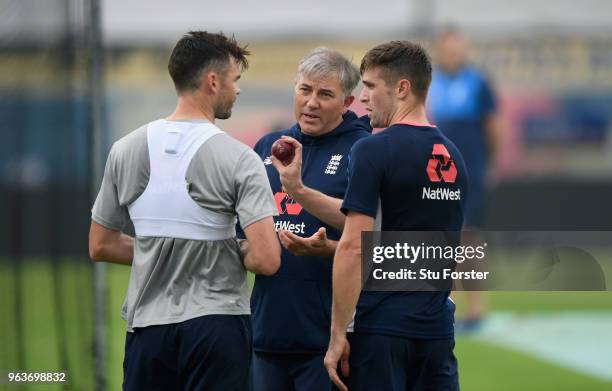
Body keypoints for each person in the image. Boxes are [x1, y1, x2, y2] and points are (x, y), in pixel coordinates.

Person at [88, 31, 281, 391]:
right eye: (235, 80)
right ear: (212, 81)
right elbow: (267, 259)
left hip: (147, 329)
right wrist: (227, 250)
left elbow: (101, 245)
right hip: (217, 327)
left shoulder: (124, 149)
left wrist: (157, 248)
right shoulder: (240, 157)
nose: (237, 90)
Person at [324, 41, 468, 391]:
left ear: (402, 88)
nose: (362, 97)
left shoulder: (372, 150)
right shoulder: (452, 155)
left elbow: (355, 248)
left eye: (371, 86)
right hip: (436, 332)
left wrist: (337, 333)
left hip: (382, 331)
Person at [241, 47, 371, 391]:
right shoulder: (269, 146)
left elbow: (374, 234)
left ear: (347, 103)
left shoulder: (363, 150)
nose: (311, 102)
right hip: (268, 333)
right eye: (305, 90)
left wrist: (327, 247)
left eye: (325, 94)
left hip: (330, 340)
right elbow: (245, 232)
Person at [428, 27, 501, 329]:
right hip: (439, 170)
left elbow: (494, 127)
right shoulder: (431, 83)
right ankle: (446, 305)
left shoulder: (478, 83)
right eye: (449, 48)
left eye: (459, 48)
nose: (454, 54)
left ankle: (476, 309)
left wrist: (489, 164)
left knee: (468, 237)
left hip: (470, 170)